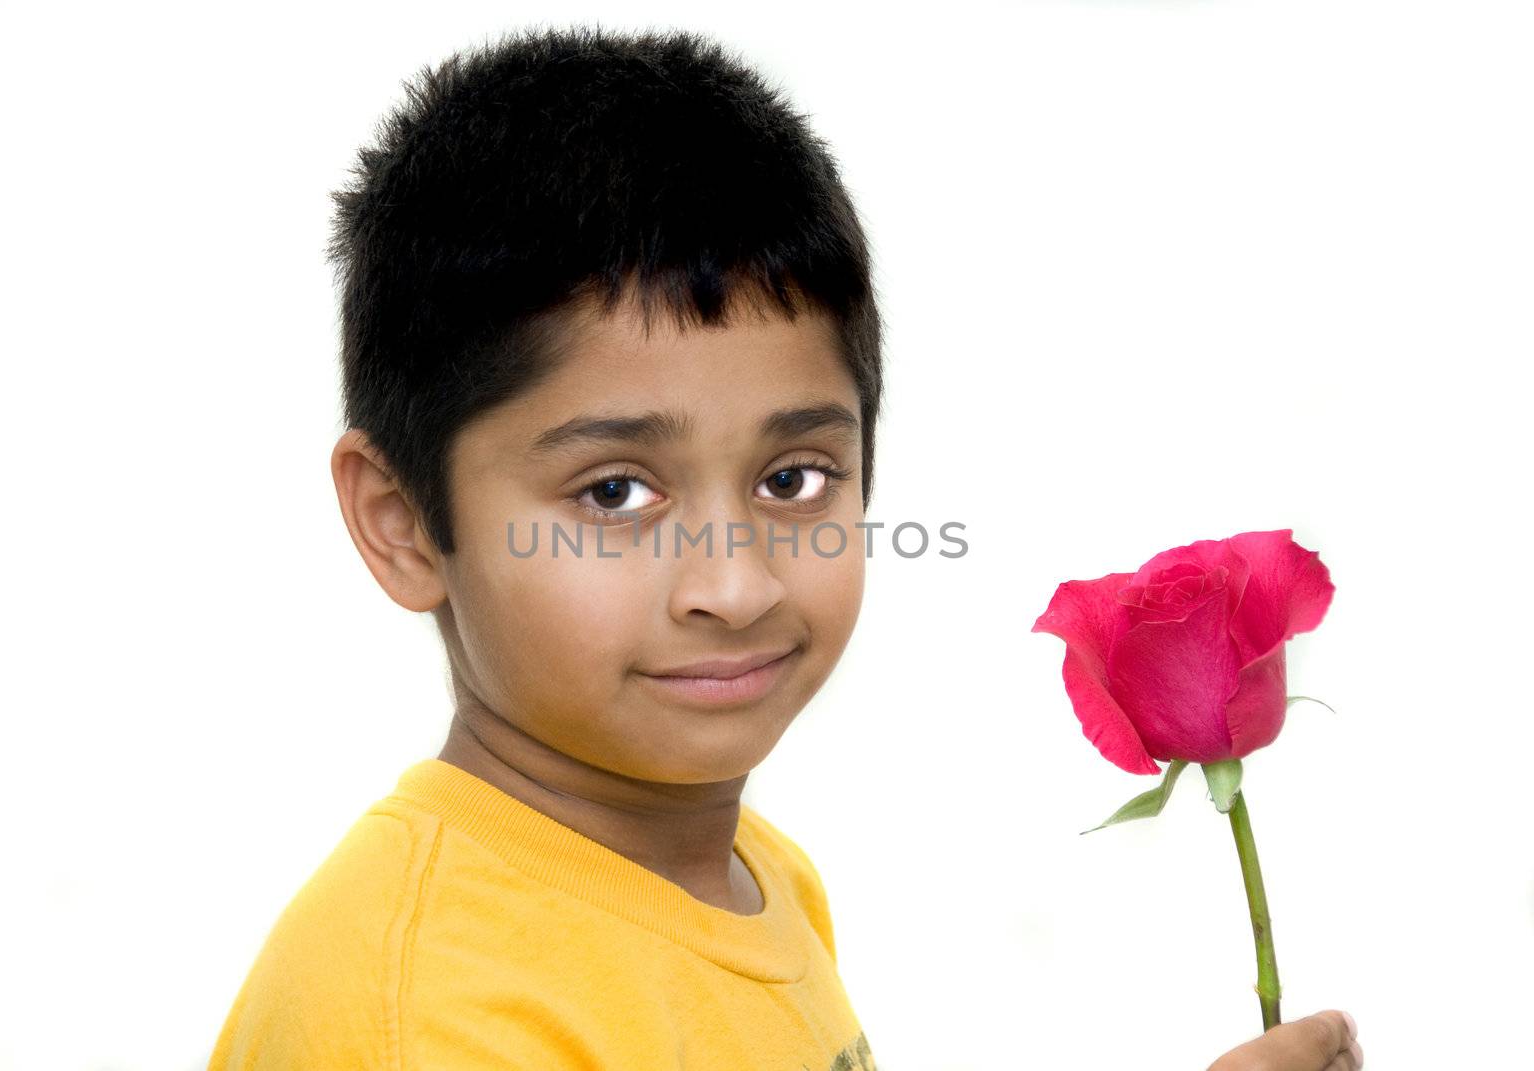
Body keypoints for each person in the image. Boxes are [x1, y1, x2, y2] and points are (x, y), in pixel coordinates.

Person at [205, 24, 1362, 1071]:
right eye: (613, 491)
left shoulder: (756, 872)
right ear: (403, 522)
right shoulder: (429, 1020)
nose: (736, 581)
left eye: (792, 479)